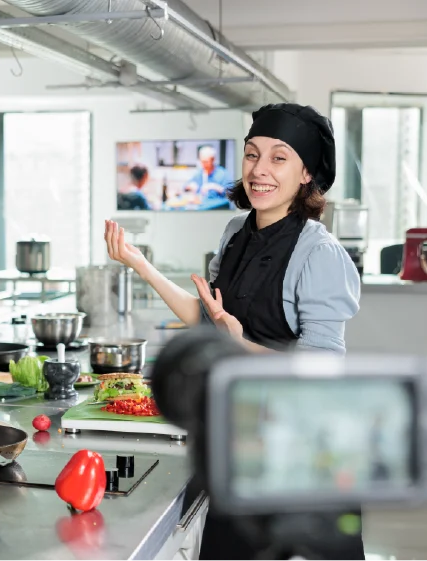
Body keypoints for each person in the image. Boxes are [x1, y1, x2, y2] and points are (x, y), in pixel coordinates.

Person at [106, 103, 362, 559]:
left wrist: (239, 346)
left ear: (306, 174)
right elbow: (207, 320)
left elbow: (320, 373)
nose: (259, 170)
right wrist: (139, 263)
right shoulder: (233, 232)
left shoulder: (319, 253)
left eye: (278, 158)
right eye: (251, 154)